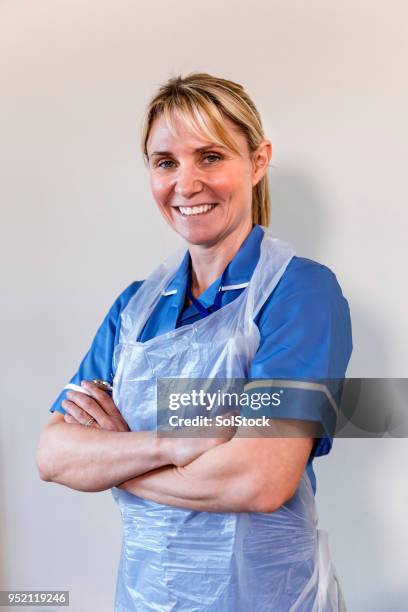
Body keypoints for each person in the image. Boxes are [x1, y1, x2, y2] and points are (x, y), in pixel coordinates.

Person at [37, 72, 352, 611]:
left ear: (257, 162)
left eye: (209, 157)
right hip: (143, 599)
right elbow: (55, 453)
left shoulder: (299, 293)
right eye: (166, 162)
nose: (185, 183)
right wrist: (174, 445)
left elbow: (260, 479)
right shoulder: (135, 309)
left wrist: (119, 460)